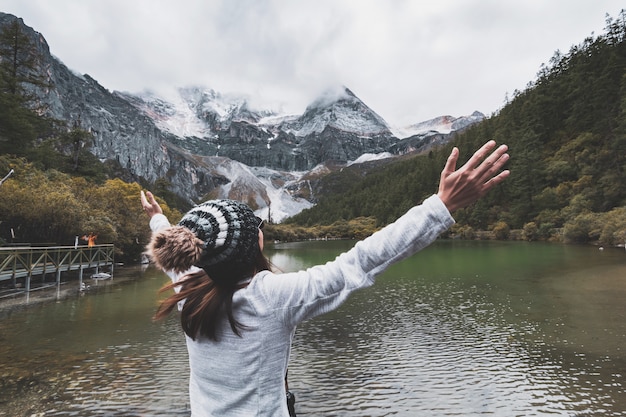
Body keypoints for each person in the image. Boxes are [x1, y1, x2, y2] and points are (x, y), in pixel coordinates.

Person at [141, 140, 510, 417]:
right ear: (251, 245)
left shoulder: (188, 285)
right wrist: (441, 206)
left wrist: (158, 219)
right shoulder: (272, 297)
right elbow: (361, 261)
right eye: (256, 227)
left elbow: (176, 253)